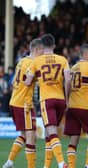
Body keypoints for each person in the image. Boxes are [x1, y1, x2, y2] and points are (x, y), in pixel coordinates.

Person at [25, 34, 70, 168]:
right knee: (49, 133)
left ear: (42, 46)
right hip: (61, 99)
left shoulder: (37, 61)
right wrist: (67, 97)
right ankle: (46, 165)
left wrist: (36, 80)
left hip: (47, 100)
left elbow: (27, 82)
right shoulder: (63, 59)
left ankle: (61, 162)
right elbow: (68, 79)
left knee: (52, 132)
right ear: (54, 46)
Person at [3, 38, 44, 168]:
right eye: (42, 50)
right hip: (24, 104)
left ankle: (9, 162)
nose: (43, 53)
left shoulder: (21, 61)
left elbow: (14, 82)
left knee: (25, 135)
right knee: (31, 137)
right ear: (37, 49)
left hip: (15, 101)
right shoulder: (33, 64)